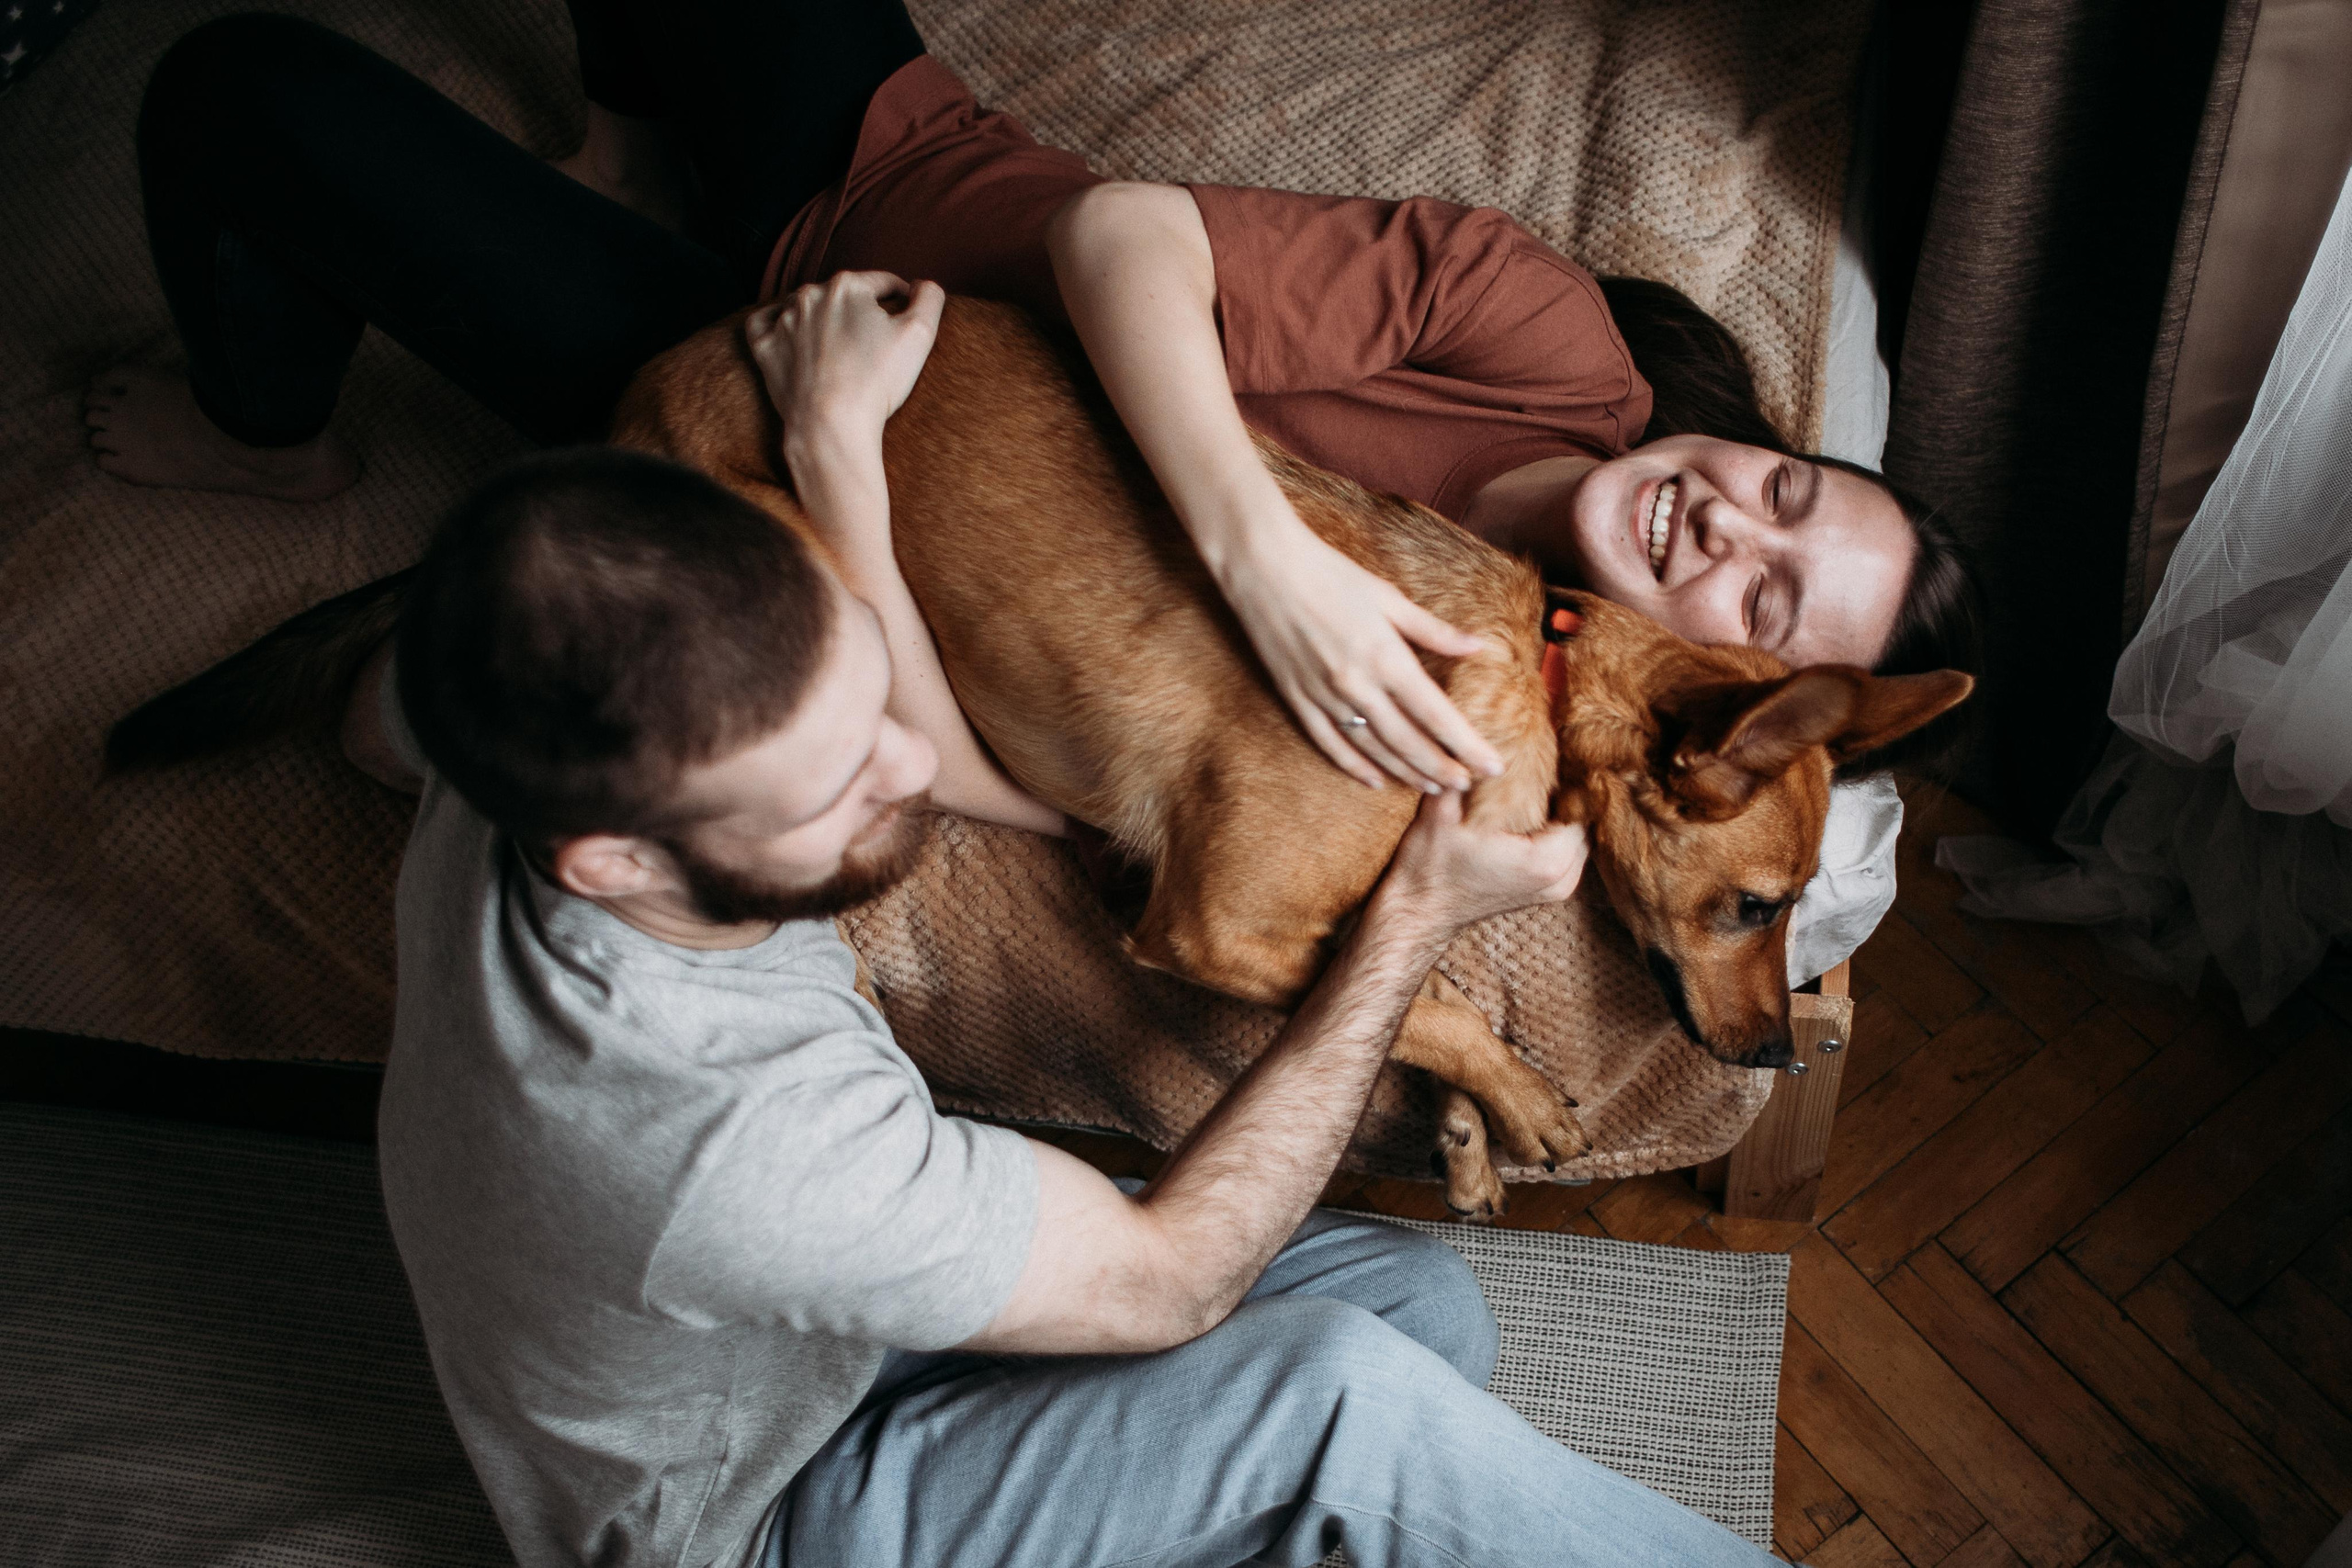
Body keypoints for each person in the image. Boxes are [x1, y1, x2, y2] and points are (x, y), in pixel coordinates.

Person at [350, 262, 1782, 1567]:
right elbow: (1164, 1290)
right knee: (1344, 1402)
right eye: (842, 775)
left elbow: (381, 714)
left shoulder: (538, 706)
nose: (914, 770)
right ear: (607, 861)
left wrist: (838, 441)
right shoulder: (723, 1142)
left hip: (837, 1333)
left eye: (873, 705)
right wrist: (1411, 917)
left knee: (1421, 1303)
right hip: (762, 1508)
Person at [87, 0, 1981, 800]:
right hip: (892, 168)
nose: (1725, 518)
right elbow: (1125, 239)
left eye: (1757, 595)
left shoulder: (1454, 731)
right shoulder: (1547, 337)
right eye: (1783, 489)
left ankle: (276, 433)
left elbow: (1014, 789)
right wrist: (1258, 552)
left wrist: (830, 456)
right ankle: (625, 109)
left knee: (239, 87)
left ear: (1734, 694)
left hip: (732, 394)